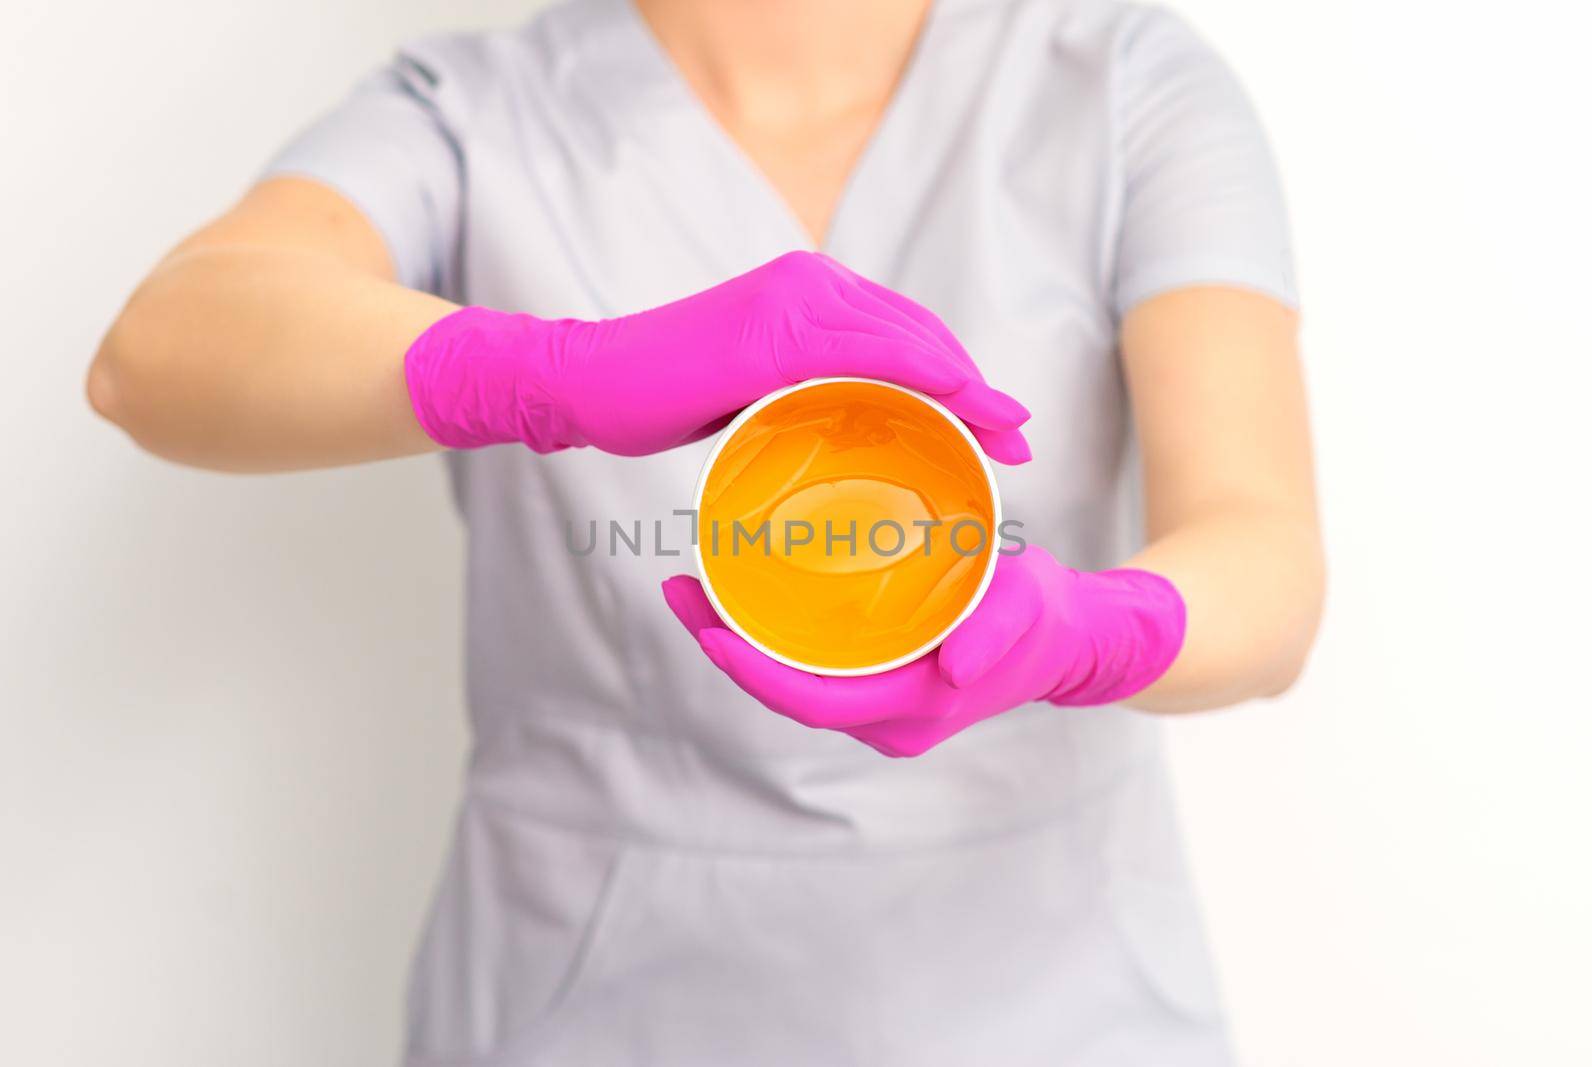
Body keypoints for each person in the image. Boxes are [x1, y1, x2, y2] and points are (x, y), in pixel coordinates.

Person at [86, 0, 1325, 1061]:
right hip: (585, 1000)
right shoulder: (472, 111)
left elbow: (1261, 555)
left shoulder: (1115, 83)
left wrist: (1083, 634)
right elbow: (155, 353)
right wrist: (548, 372)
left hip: (1061, 999)